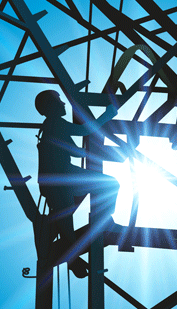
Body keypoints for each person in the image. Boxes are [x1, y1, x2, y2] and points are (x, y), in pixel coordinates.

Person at [35, 90, 120, 271]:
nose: (64, 104)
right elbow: (84, 130)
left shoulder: (51, 127)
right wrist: (108, 115)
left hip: (55, 181)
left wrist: (113, 156)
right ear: (51, 106)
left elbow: (75, 152)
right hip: (63, 178)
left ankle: (70, 253)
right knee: (110, 184)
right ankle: (104, 222)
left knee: (65, 220)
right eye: (59, 101)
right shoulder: (56, 124)